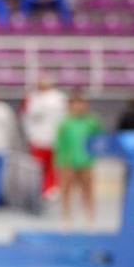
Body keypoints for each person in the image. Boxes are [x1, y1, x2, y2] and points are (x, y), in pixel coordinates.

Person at [54, 92, 102, 227]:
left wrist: (93, 159)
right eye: (75, 104)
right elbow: (59, 144)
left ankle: (90, 217)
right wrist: (61, 162)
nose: (79, 106)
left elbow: (98, 141)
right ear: (70, 106)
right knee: (66, 191)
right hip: (67, 162)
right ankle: (66, 218)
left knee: (87, 190)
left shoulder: (92, 122)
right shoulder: (64, 123)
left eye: (81, 103)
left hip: (86, 162)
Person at [22, 75, 68, 197]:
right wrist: (30, 136)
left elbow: (64, 119)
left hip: (55, 138)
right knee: (37, 167)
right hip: (37, 139)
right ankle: (37, 189)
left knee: (54, 166)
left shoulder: (59, 98)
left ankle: (52, 188)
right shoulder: (31, 98)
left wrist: (62, 137)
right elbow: (26, 118)